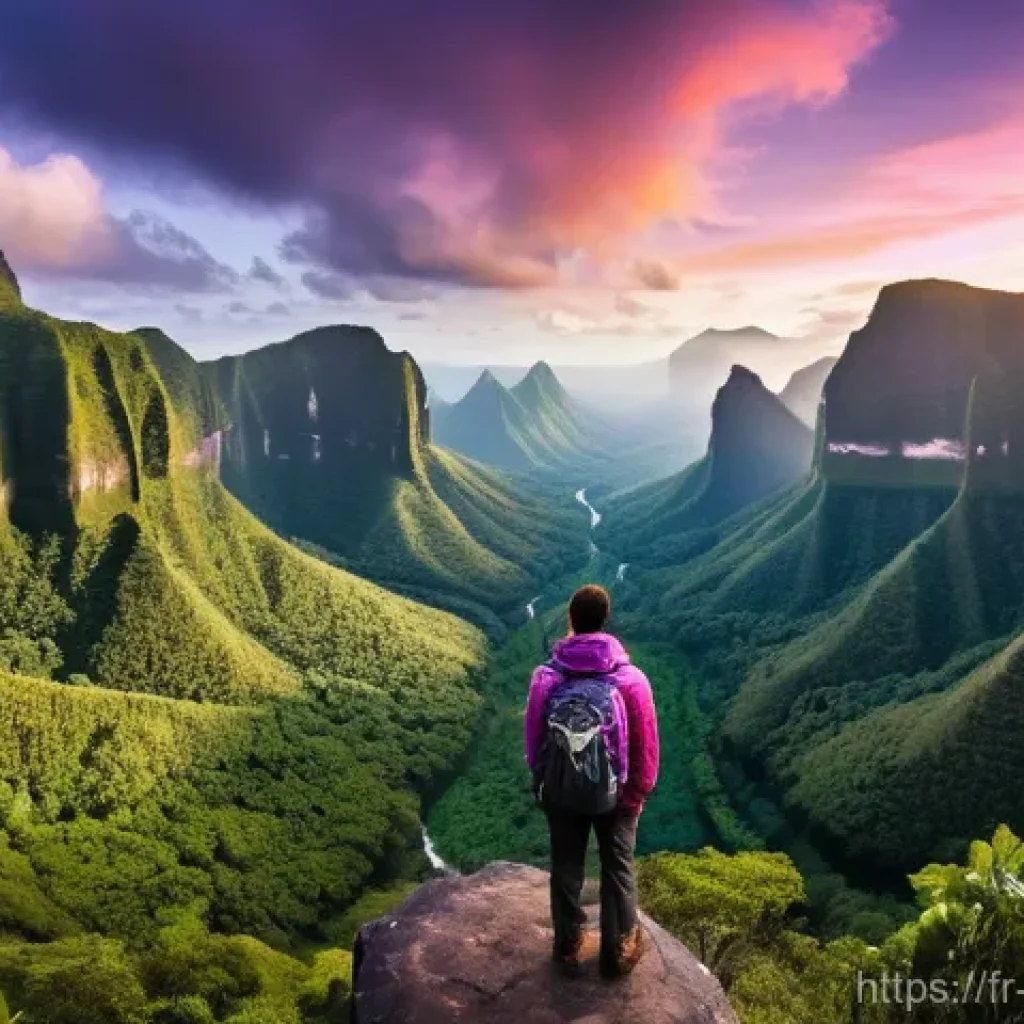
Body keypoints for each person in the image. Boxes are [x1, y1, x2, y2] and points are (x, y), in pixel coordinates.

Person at [524, 584, 660, 979]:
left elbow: (534, 741)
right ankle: (617, 951)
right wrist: (637, 794)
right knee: (617, 866)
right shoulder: (631, 680)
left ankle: (568, 946)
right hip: (616, 794)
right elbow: (646, 746)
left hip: (561, 790)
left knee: (566, 863)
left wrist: (544, 782)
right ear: (605, 619)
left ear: (571, 618)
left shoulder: (546, 678)